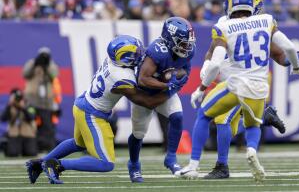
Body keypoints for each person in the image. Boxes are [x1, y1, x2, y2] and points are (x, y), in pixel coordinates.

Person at [179, 0, 299, 182]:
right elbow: (212, 52)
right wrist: (295, 63)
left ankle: (218, 165)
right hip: (251, 83)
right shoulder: (262, 21)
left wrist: (202, 84)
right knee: (242, 123)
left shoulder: (226, 25)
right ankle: (261, 122)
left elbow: (277, 53)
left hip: (235, 83)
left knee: (217, 119)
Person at [25, 35, 186, 184]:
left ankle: (39, 164)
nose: (141, 54)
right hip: (92, 114)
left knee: (79, 144)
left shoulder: (113, 60)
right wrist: (171, 87)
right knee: (105, 163)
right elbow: (147, 102)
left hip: (82, 103)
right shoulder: (122, 77)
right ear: (126, 58)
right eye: (136, 53)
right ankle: (57, 164)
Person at [127, 17, 195, 183]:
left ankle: (171, 158)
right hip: (144, 93)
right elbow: (143, 79)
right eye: (182, 42)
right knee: (138, 133)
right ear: (170, 39)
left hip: (165, 89)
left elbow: (184, 74)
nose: (187, 46)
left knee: (177, 116)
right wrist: (167, 86)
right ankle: (134, 164)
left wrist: (173, 87)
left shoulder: (188, 51)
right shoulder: (157, 50)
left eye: (188, 42)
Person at [23, 47, 59, 152]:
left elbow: (54, 75)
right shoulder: (32, 63)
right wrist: (35, 63)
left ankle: (47, 147)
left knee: (47, 126)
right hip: (32, 100)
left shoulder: (51, 65)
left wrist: (47, 65)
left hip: (46, 102)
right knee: (31, 123)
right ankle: (32, 147)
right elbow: (25, 73)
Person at [1, 88, 37, 157]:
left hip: (27, 134)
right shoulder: (10, 106)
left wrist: (23, 108)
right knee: (12, 154)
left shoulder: (28, 105)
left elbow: (32, 117)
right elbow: (2, 118)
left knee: (31, 153)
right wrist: (9, 105)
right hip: (14, 134)